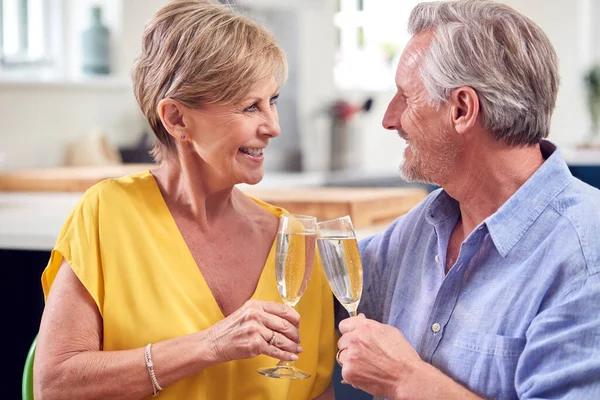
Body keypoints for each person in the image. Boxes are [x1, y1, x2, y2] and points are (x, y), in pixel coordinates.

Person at [33, 1, 336, 399]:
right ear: (176, 119)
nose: (274, 127)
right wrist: (210, 345)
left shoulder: (296, 244)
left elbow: (317, 392)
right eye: (250, 106)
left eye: (272, 101)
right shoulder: (108, 215)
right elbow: (55, 386)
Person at [335, 0, 600, 399]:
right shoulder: (425, 225)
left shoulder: (585, 256)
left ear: (461, 109)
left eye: (406, 98)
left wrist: (406, 379)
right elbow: (327, 287)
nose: (389, 119)